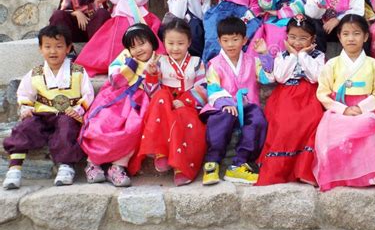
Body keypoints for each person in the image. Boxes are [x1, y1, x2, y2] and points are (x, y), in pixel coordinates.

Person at [314, 14, 375, 191]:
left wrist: (361, 108)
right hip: (339, 109)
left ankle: (370, 174)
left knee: (370, 127)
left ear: (366, 36)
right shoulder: (332, 64)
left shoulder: (373, 64)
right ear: (339, 37)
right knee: (333, 132)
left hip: (368, 108)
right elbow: (323, 93)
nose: (351, 38)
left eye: (356, 33)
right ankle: (342, 173)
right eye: (345, 34)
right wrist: (343, 109)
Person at [3, 25, 94, 189]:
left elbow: (88, 94)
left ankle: (66, 166)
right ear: (40, 49)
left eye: (59, 46)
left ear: (68, 48)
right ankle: (15, 168)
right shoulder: (35, 73)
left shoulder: (79, 72)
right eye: (48, 46)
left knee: (67, 129)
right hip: (42, 114)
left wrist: (78, 109)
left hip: (67, 115)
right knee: (24, 128)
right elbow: (24, 94)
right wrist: (26, 108)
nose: (53, 51)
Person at [128, 18, 207, 186]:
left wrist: (185, 101)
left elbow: (203, 87)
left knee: (184, 119)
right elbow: (151, 93)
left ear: (189, 42)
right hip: (164, 105)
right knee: (162, 96)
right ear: (163, 42)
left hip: (187, 104)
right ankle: (160, 151)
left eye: (180, 43)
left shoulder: (197, 63)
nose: (175, 48)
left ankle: (181, 167)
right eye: (170, 43)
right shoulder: (159, 62)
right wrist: (151, 75)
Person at [79, 24, 160, 187]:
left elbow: (156, 92)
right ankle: (92, 163)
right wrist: (130, 66)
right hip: (115, 97)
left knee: (133, 128)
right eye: (133, 46)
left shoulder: (159, 61)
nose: (138, 49)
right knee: (101, 122)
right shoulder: (123, 58)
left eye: (142, 43)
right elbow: (115, 81)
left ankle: (118, 166)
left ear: (152, 42)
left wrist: (152, 75)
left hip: (139, 102)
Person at [200, 17, 273, 185]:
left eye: (235, 39)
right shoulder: (215, 64)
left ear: (244, 40)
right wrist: (226, 103)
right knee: (221, 118)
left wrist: (264, 54)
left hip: (247, 105)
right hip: (223, 105)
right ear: (219, 41)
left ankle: (239, 164)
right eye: (225, 40)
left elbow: (267, 77)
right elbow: (213, 88)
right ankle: (212, 162)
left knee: (258, 120)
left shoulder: (252, 61)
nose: (230, 44)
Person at [257, 14, 324, 186]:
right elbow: (280, 76)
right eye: (292, 37)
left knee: (313, 118)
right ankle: (281, 169)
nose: (297, 42)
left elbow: (315, 76)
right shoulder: (282, 55)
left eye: (303, 38)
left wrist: (302, 56)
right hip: (285, 95)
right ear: (286, 37)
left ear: (313, 39)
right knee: (286, 122)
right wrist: (293, 55)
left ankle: (304, 169)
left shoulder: (318, 56)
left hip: (309, 94)